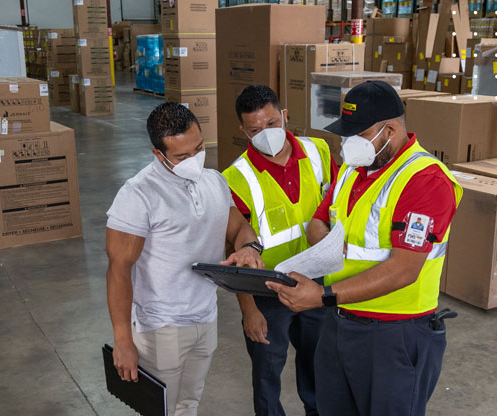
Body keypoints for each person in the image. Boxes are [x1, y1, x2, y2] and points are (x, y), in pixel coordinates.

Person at [267, 81, 463, 416]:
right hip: (341, 323)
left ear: (389, 130)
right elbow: (318, 220)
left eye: (358, 134)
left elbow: (404, 268)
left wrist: (322, 296)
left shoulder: (425, 181)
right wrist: (326, 244)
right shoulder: (352, 169)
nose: (348, 143)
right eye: (346, 133)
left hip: (394, 335)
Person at [106, 103, 264, 416]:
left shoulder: (215, 182)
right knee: (160, 409)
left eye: (199, 148)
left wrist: (250, 248)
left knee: (189, 404)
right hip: (161, 326)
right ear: (158, 154)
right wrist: (123, 341)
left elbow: (239, 228)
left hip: (205, 317)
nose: (194, 159)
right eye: (181, 156)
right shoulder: (138, 194)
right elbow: (119, 269)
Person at [222, 85, 339, 416]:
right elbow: (234, 247)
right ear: (242, 130)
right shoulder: (235, 177)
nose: (267, 134)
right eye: (256, 129)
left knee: (319, 367)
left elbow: (341, 204)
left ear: (284, 115)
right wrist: (249, 310)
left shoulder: (319, 152)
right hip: (267, 292)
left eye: (272, 123)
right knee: (267, 375)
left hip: (317, 282)